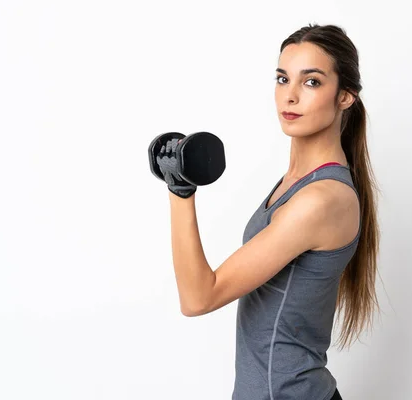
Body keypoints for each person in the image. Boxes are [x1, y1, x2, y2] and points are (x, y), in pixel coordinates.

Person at [162, 23, 381, 400]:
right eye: (282, 79)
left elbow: (199, 297)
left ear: (345, 96)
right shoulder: (296, 183)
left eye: (311, 82)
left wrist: (181, 191)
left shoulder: (321, 200)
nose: (290, 96)